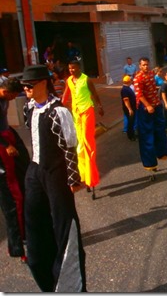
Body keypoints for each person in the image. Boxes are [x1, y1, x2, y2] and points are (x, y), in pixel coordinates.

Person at [21, 64, 86, 292]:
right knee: (34, 224)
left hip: (55, 173)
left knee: (64, 226)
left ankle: (72, 286)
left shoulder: (58, 111)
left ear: (43, 83)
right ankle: (48, 281)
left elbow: (69, 146)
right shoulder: (28, 108)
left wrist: (73, 178)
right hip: (35, 171)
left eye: (29, 85)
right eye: (24, 86)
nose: (26, 89)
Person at [62, 59, 103, 195]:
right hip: (76, 113)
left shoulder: (87, 80)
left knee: (87, 143)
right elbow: (66, 95)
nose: (72, 70)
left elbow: (95, 94)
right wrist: (60, 107)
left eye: (74, 68)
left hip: (87, 112)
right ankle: (84, 175)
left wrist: (99, 106)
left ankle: (92, 177)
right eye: (70, 68)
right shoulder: (69, 80)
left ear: (79, 68)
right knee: (78, 146)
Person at [0, 78, 29, 263]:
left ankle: (27, 231)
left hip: (7, 134)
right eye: (9, 96)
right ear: (5, 91)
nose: (10, 100)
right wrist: (5, 145)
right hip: (2, 144)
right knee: (14, 199)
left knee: (27, 171)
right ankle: (17, 247)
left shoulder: (4, 87)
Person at [134, 57, 167, 171]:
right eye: (143, 65)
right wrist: (148, 106)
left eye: (147, 64)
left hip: (156, 105)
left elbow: (154, 88)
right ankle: (150, 163)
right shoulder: (137, 78)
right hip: (145, 109)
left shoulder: (151, 74)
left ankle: (161, 153)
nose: (145, 66)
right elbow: (139, 94)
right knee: (147, 135)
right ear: (140, 66)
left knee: (160, 131)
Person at [121, 75, 136, 141]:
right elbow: (126, 100)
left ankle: (132, 133)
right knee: (130, 122)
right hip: (129, 109)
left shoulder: (128, 88)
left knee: (132, 122)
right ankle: (130, 136)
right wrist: (130, 109)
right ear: (128, 81)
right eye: (130, 80)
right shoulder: (124, 90)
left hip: (132, 107)